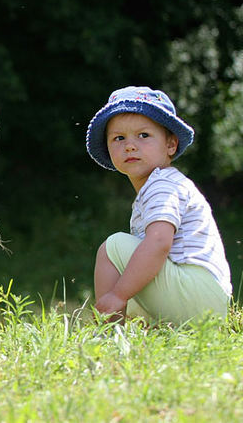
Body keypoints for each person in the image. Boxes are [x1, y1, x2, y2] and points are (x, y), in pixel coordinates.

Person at [86, 86, 232, 324]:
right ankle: (141, 327)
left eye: (143, 135)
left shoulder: (162, 184)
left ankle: (109, 331)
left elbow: (159, 242)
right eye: (119, 138)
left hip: (197, 293)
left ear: (170, 145)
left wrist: (118, 295)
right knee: (133, 271)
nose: (130, 145)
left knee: (113, 248)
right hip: (205, 300)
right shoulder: (159, 186)